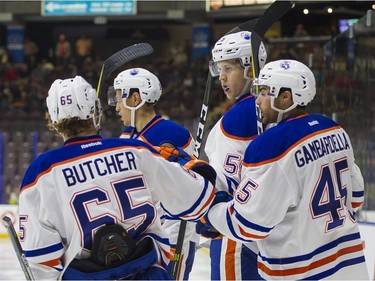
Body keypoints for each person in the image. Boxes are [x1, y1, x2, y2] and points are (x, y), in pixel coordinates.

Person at [18, 76, 216, 280]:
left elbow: (40, 259)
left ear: (53, 120)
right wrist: (192, 168)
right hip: (147, 272)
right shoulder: (134, 149)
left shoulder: (42, 172)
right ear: (96, 111)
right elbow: (198, 196)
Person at [205, 59, 369, 280]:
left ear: (286, 97)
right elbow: (356, 197)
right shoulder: (335, 129)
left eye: (264, 92)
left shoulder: (272, 144)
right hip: (350, 268)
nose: (258, 101)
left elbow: (248, 224)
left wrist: (210, 210)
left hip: (302, 271)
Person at [108, 67, 197, 280]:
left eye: (120, 98)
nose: (116, 105)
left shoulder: (169, 133)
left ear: (135, 98)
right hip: (141, 237)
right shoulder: (128, 135)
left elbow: (187, 187)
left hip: (171, 233)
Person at [202, 30, 267, 280]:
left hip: (234, 236)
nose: (221, 77)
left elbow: (228, 185)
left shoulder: (240, 116)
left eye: (228, 68)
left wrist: (208, 215)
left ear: (250, 68)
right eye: (219, 69)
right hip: (266, 234)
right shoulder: (270, 108)